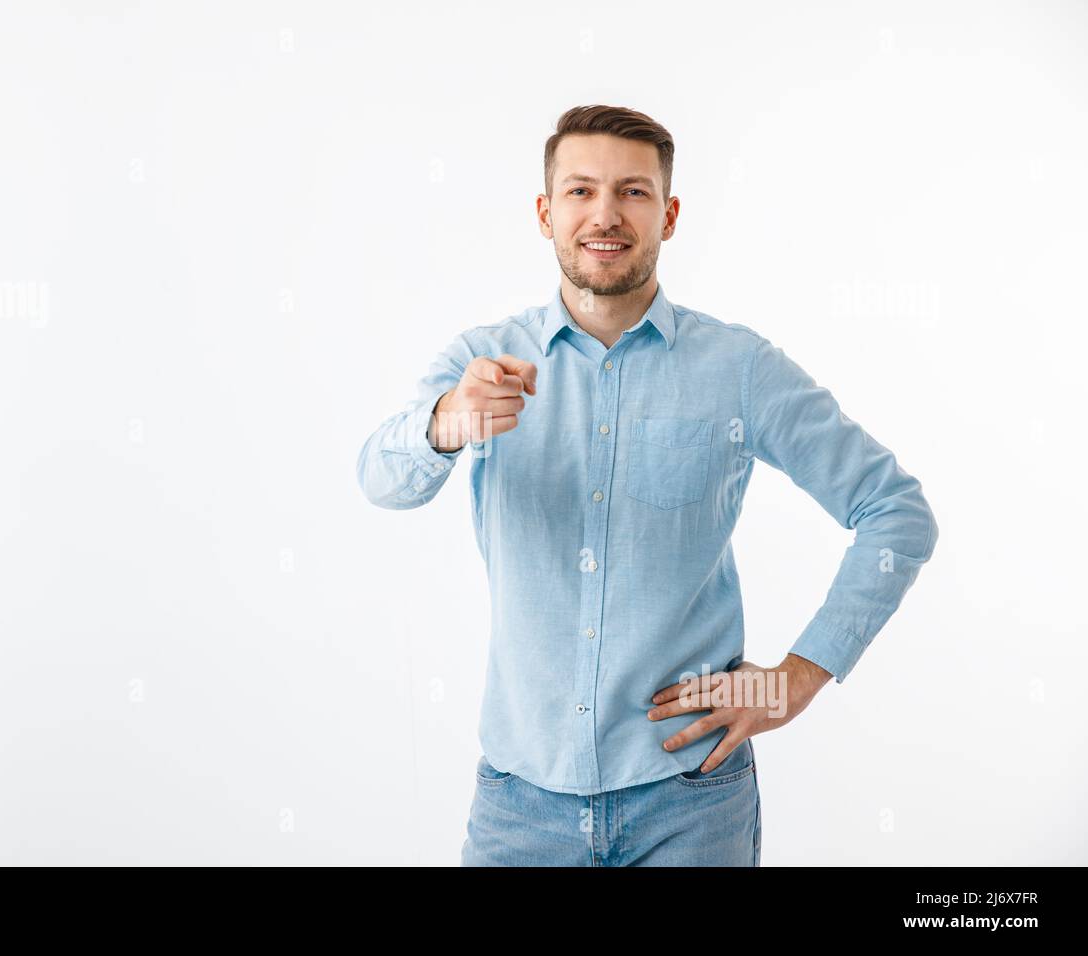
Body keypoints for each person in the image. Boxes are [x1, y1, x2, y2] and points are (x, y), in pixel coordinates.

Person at [355, 104, 939, 866]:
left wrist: (797, 678)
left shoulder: (738, 369)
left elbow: (895, 510)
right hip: (518, 805)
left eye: (632, 192)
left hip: (689, 802)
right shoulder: (482, 361)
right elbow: (379, 480)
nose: (605, 215)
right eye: (580, 191)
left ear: (667, 214)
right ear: (544, 212)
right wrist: (445, 422)